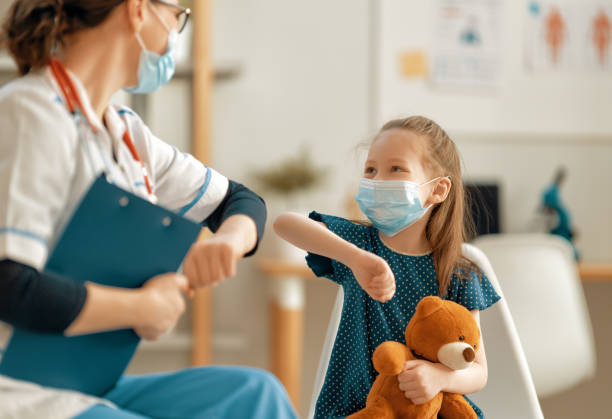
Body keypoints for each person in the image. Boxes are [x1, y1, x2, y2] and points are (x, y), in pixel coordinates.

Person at [0, 1, 297, 418]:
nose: (176, 32)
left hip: (87, 383)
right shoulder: (30, 111)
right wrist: (145, 307)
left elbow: (240, 200)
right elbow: (12, 287)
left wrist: (229, 242)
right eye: (178, 15)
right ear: (138, 10)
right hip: (18, 390)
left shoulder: (126, 132)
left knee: (255, 392)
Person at [274, 116, 501, 418]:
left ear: (439, 190)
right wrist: (353, 258)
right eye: (370, 170)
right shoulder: (360, 246)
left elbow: (477, 371)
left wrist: (439, 377)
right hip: (356, 410)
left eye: (396, 169)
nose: (377, 180)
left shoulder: (460, 274)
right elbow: (285, 224)